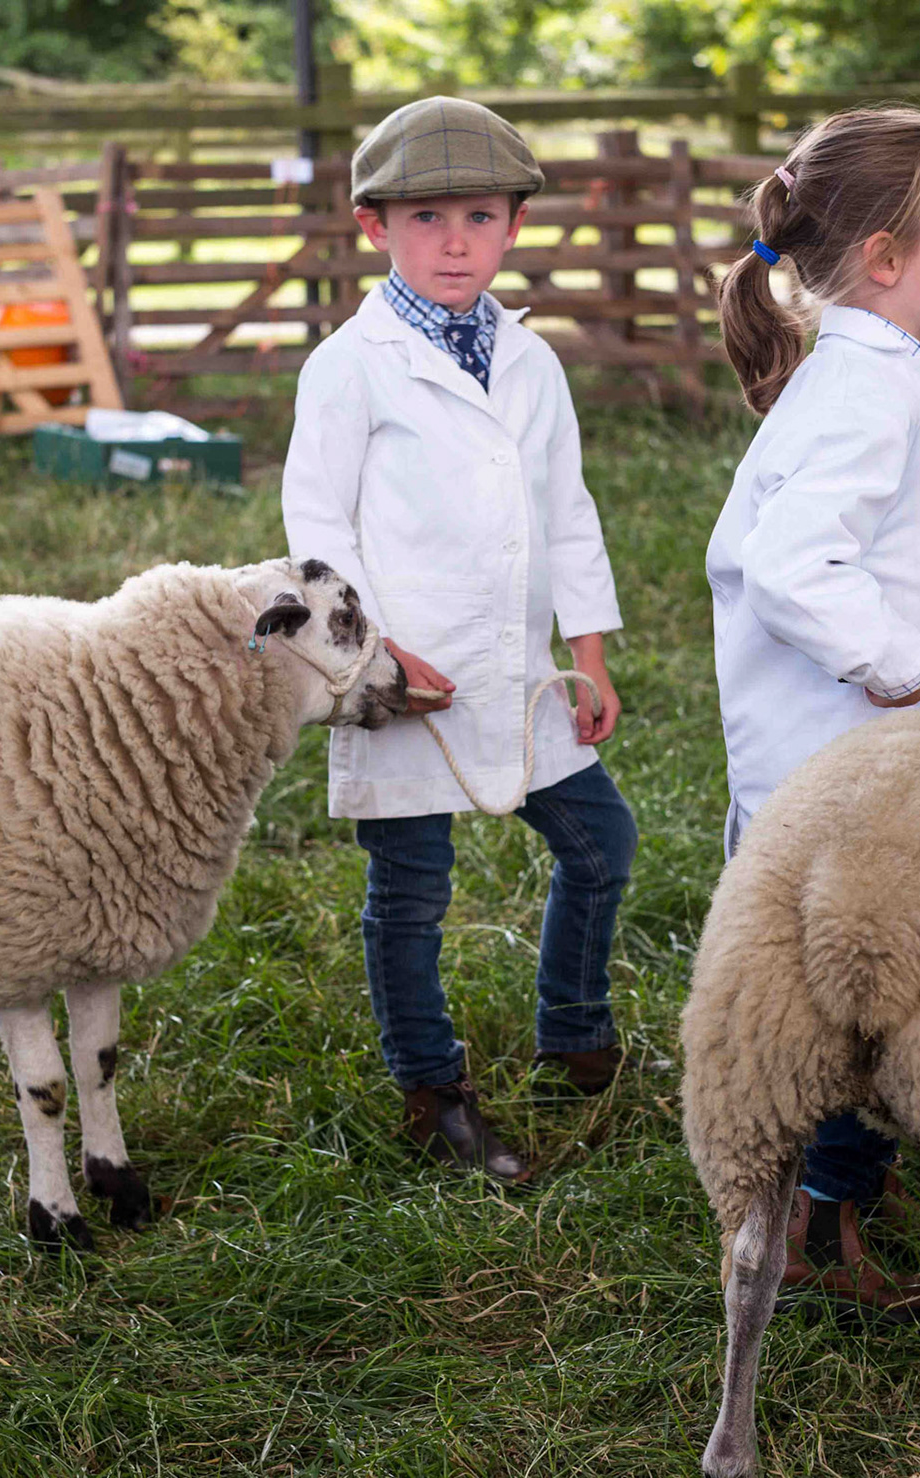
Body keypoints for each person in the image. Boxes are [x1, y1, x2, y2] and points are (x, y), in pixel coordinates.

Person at [281, 98, 640, 1183]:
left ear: (514, 227)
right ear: (371, 224)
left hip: (519, 673)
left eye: (479, 216)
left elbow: (567, 508)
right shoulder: (350, 367)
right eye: (424, 216)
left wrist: (589, 650)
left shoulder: (532, 362)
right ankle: (432, 1084)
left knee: (601, 843)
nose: (453, 241)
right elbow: (317, 530)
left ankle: (573, 1027)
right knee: (412, 889)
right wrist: (371, 656)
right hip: (406, 682)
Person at [705, 106, 920, 1317]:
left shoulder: (877, 374)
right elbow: (793, 569)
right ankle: (820, 1223)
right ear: (884, 258)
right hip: (837, 777)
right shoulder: (863, 396)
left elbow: (872, 544)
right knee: (847, 1005)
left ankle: (823, 1198)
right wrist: (903, 665)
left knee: (844, 999)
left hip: (836, 768)